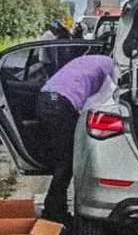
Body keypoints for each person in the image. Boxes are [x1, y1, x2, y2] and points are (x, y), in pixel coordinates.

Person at [36, 54, 114, 223]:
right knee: (67, 162)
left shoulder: (89, 60)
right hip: (60, 105)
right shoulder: (110, 67)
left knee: (62, 160)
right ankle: (54, 214)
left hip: (45, 100)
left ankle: (54, 211)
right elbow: (110, 98)